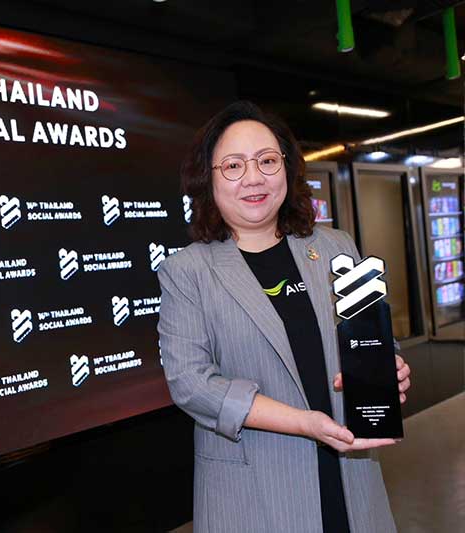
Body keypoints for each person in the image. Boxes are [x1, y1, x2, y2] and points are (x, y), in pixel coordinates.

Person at [157, 100, 411, 533]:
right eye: (233, 166)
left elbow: (371, 337)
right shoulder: (187, 272)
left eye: (267, 160)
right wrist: (304, 423)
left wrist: (391, 365)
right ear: (208, 179)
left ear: (287, 169)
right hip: (256, 492)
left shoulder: (335, 246)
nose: (254, 177)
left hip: (351, 479)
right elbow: (191, 384)